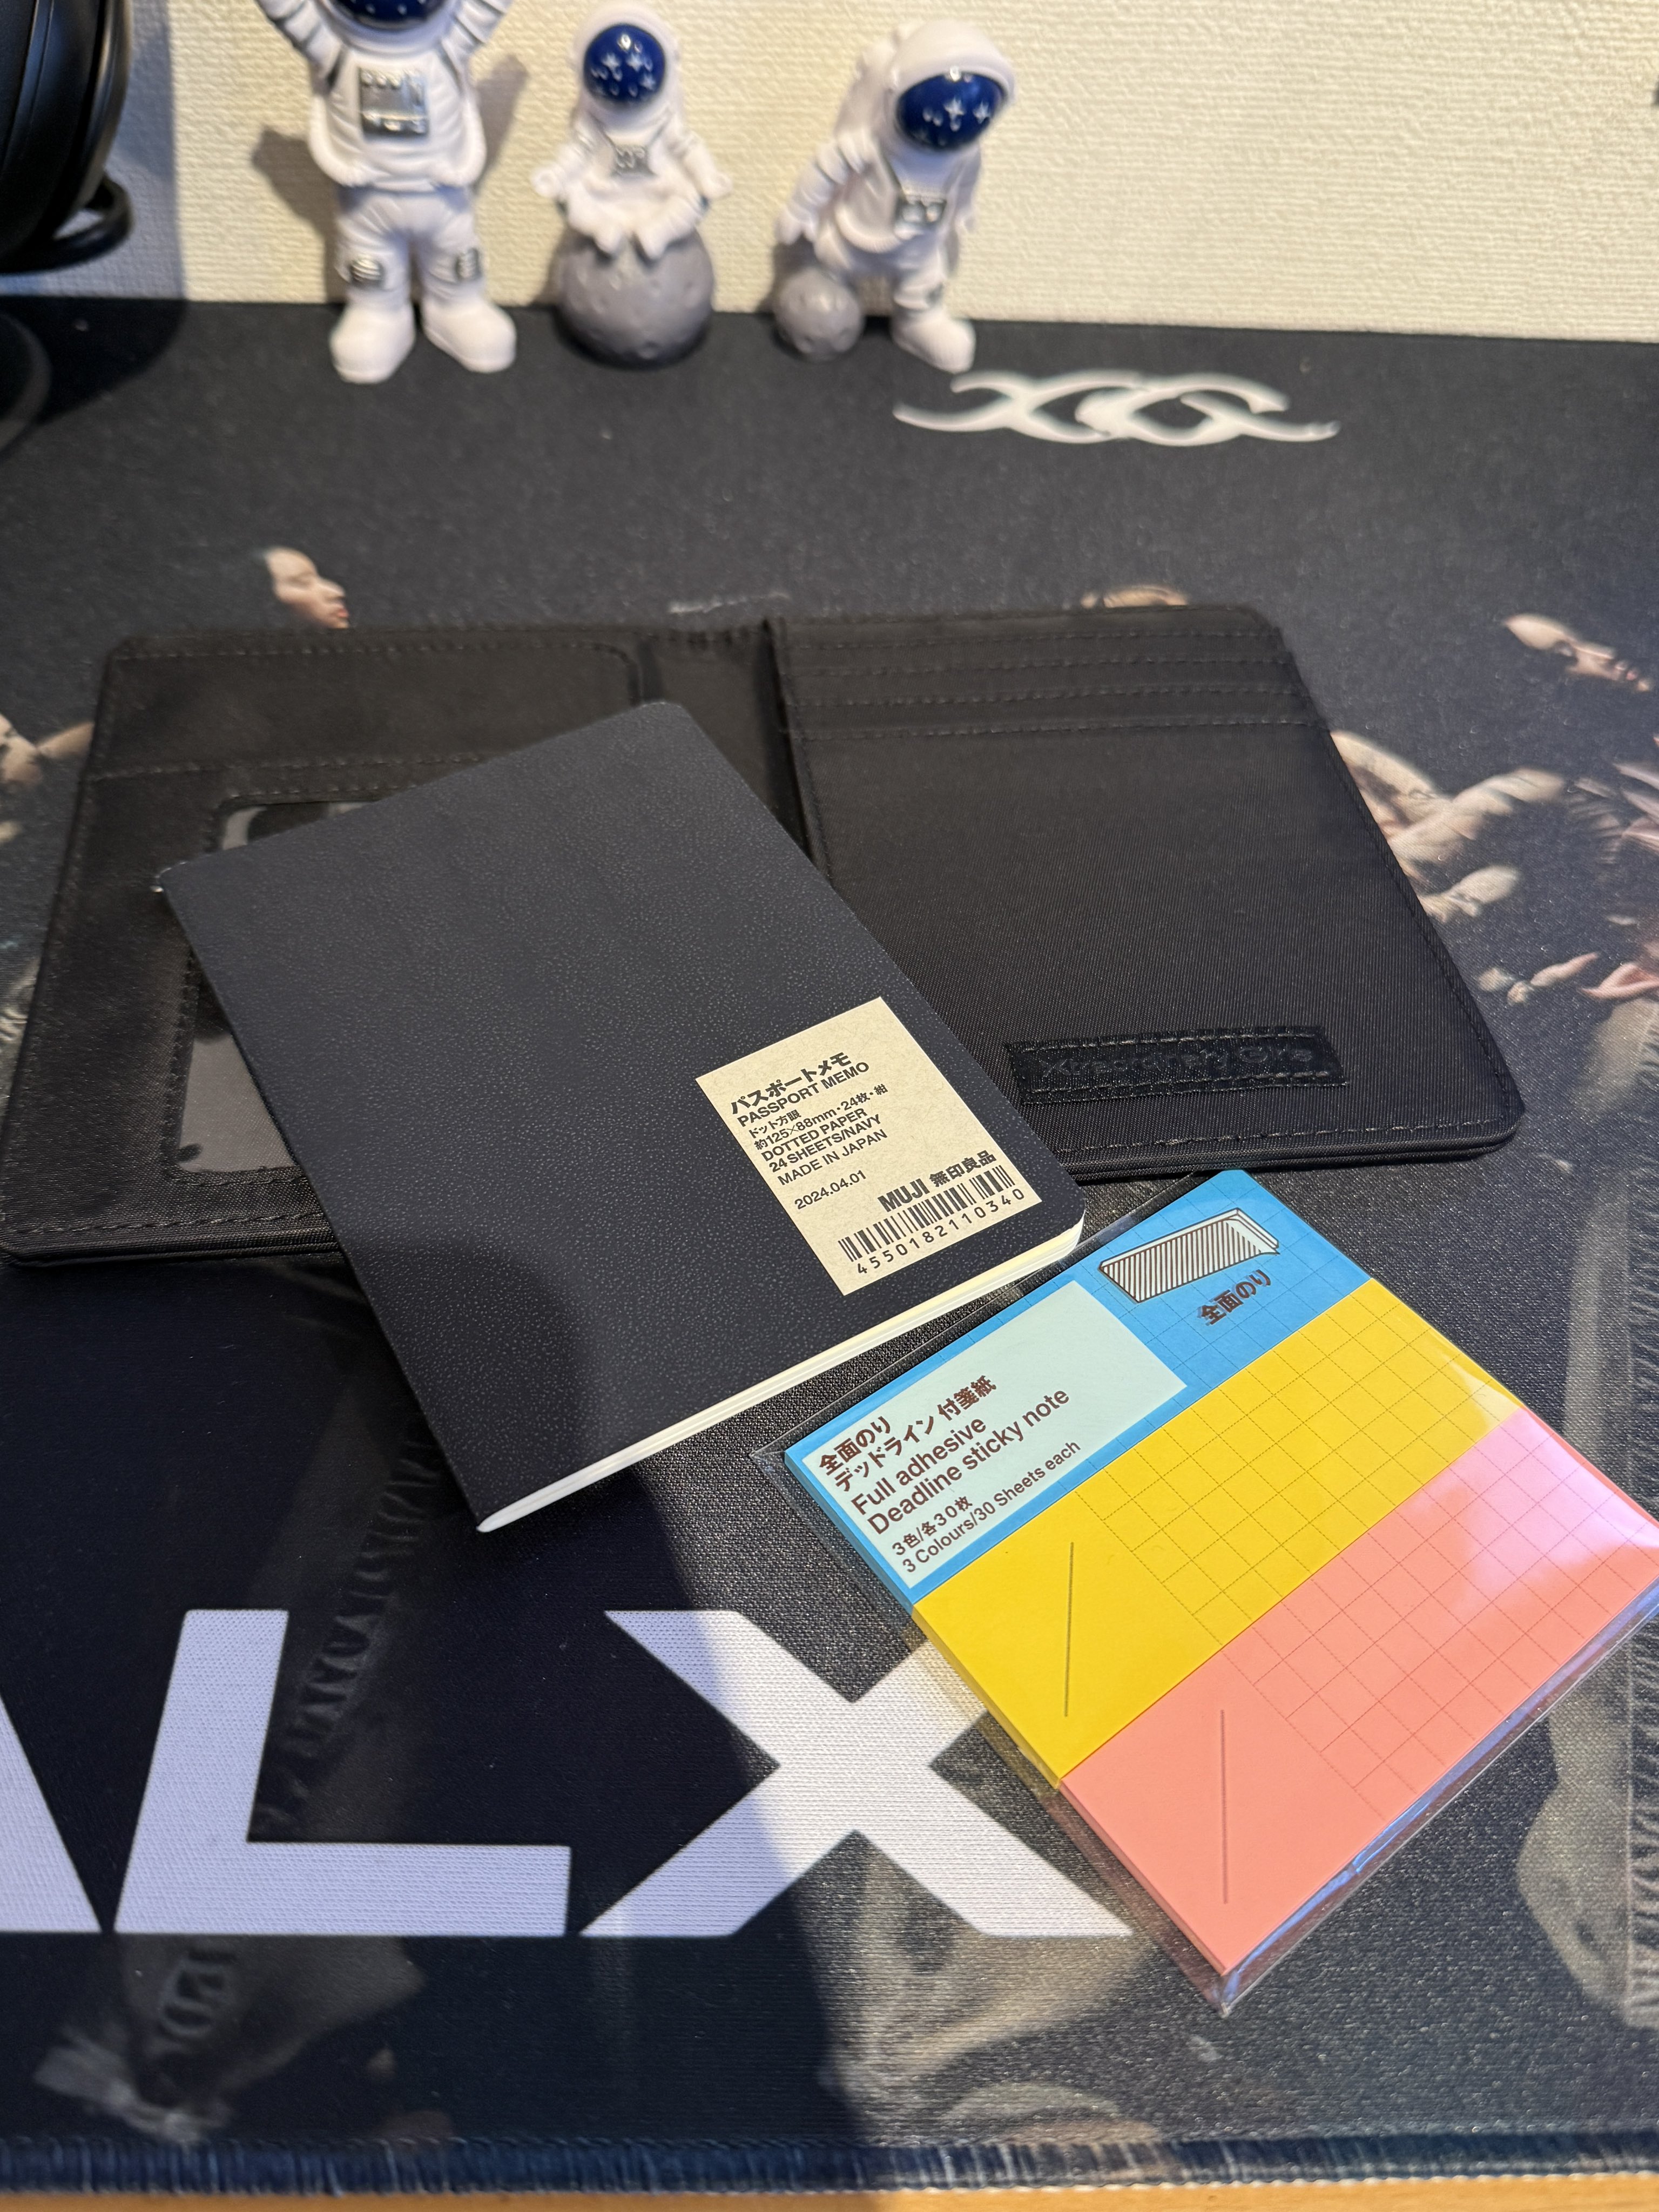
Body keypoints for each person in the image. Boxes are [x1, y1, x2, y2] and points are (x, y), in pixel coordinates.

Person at [252, 0, 518, 384]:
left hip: (442, 195)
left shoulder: (449, 43)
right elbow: (290, 12)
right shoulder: (334, 49)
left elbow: (485, 9)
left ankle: (457, 305)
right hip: (366, 204)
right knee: (370, 269)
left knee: (457, 257)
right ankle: (378, 313)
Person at [774, 20, 1015, 373]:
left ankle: (917, 320)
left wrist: (964, 212)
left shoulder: (967, 157)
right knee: (829, 277)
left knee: (924, 280)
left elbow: (966, 186)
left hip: (920, 247)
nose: (950, 123)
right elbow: (826, 168)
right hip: (852, 241)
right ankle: (829, 297)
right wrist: (800, 209)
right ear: (894, 92)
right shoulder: (868, 144)